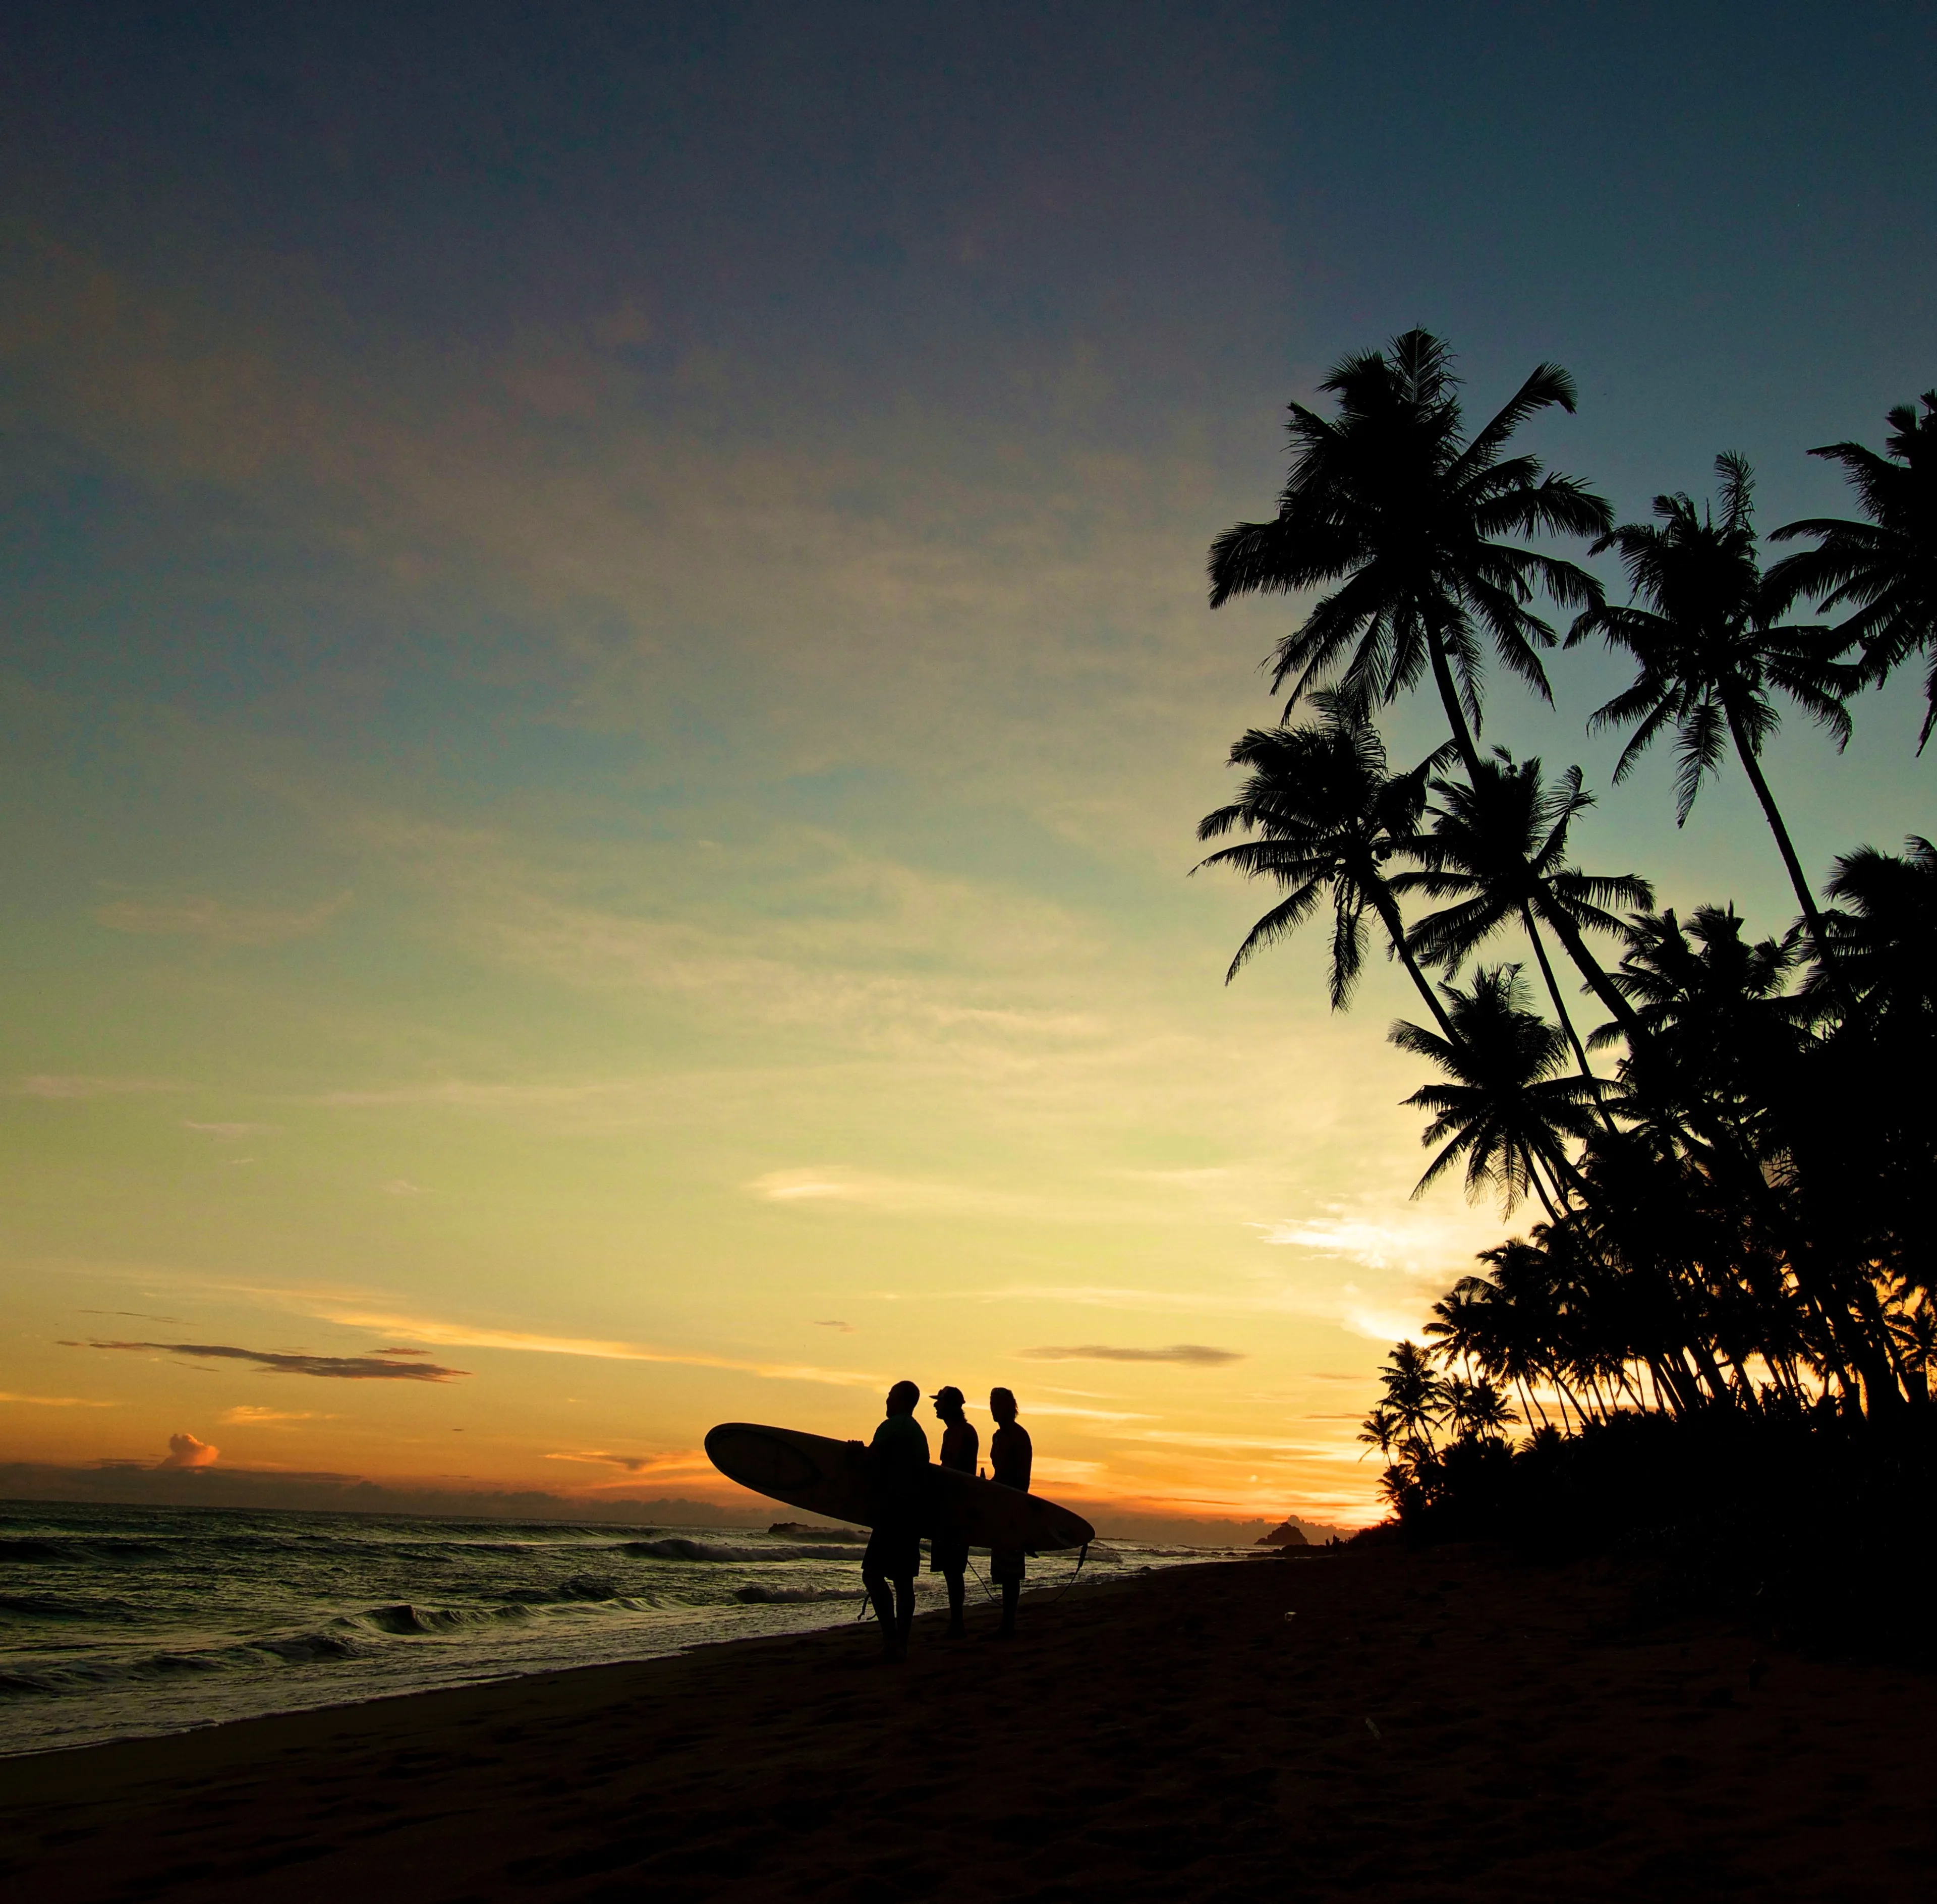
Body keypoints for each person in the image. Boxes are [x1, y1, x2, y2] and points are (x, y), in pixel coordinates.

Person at [858, 1379, 928, 1660]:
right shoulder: (918, 1432)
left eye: (890, 1396)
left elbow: (870, 1461)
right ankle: (902, 1644)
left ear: (901, 1400)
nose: (886, 1401)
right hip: (914, 1514)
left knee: (872, 1574)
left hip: (893, 1513)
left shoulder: (893, 1425)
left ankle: (891, 1641)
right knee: (903, 1581)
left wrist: (855, 1453)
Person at [929, 1385, 978, 1638]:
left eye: (940, 1403)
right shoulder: (951, 1433)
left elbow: (957, 1471)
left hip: (957, 1510)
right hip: (948, 1508)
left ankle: (957, 1622)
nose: (936, 1406)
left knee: (954, 1569)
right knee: (950, 1570)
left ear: (953, 1406)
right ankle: (956, 1620)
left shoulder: (965, 1433)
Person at [986, 1385, 1032, 1639]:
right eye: (991, 1404)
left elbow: (1019, 1477)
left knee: (1011, 1568)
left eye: (997, 1404)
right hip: (999, 1504)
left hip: (1013, 1505)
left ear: (1009, 1407)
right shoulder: (997, 1436)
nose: (993, 1409)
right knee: (1002, 1570)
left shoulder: (1018, 1436)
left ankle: (1009, 1623)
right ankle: (1006, 1622)